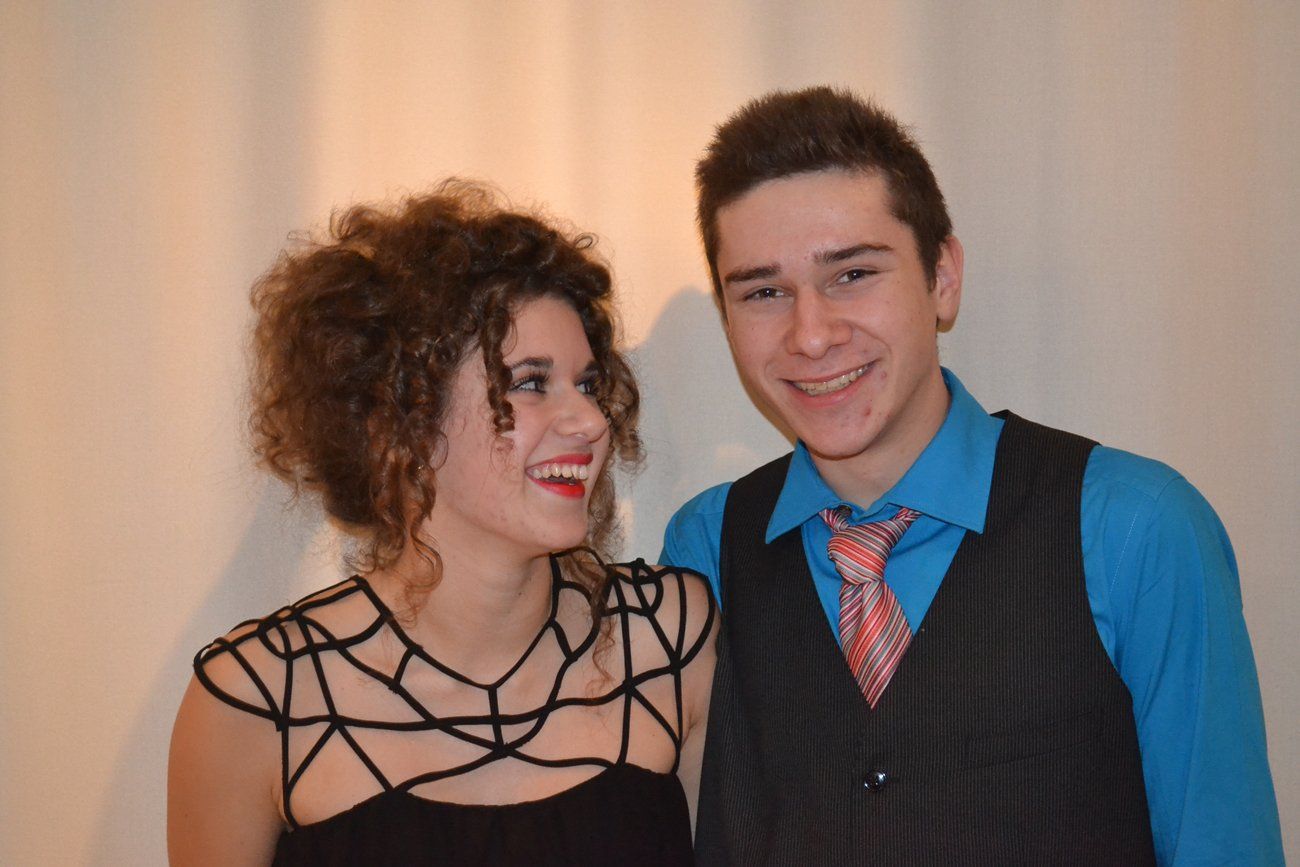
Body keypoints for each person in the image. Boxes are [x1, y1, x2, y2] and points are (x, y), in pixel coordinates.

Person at [661, 87, 1282, 864]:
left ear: (943, 276)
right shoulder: (704, 550)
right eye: (763, 292)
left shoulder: (1135, 527)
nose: (810, 335)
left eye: (852, 274)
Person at [168, 181, 717, 866]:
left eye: (586, 383)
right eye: (530, 383)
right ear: (398, 422)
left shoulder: (671, 641)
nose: (589, 421)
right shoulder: (258, 702)